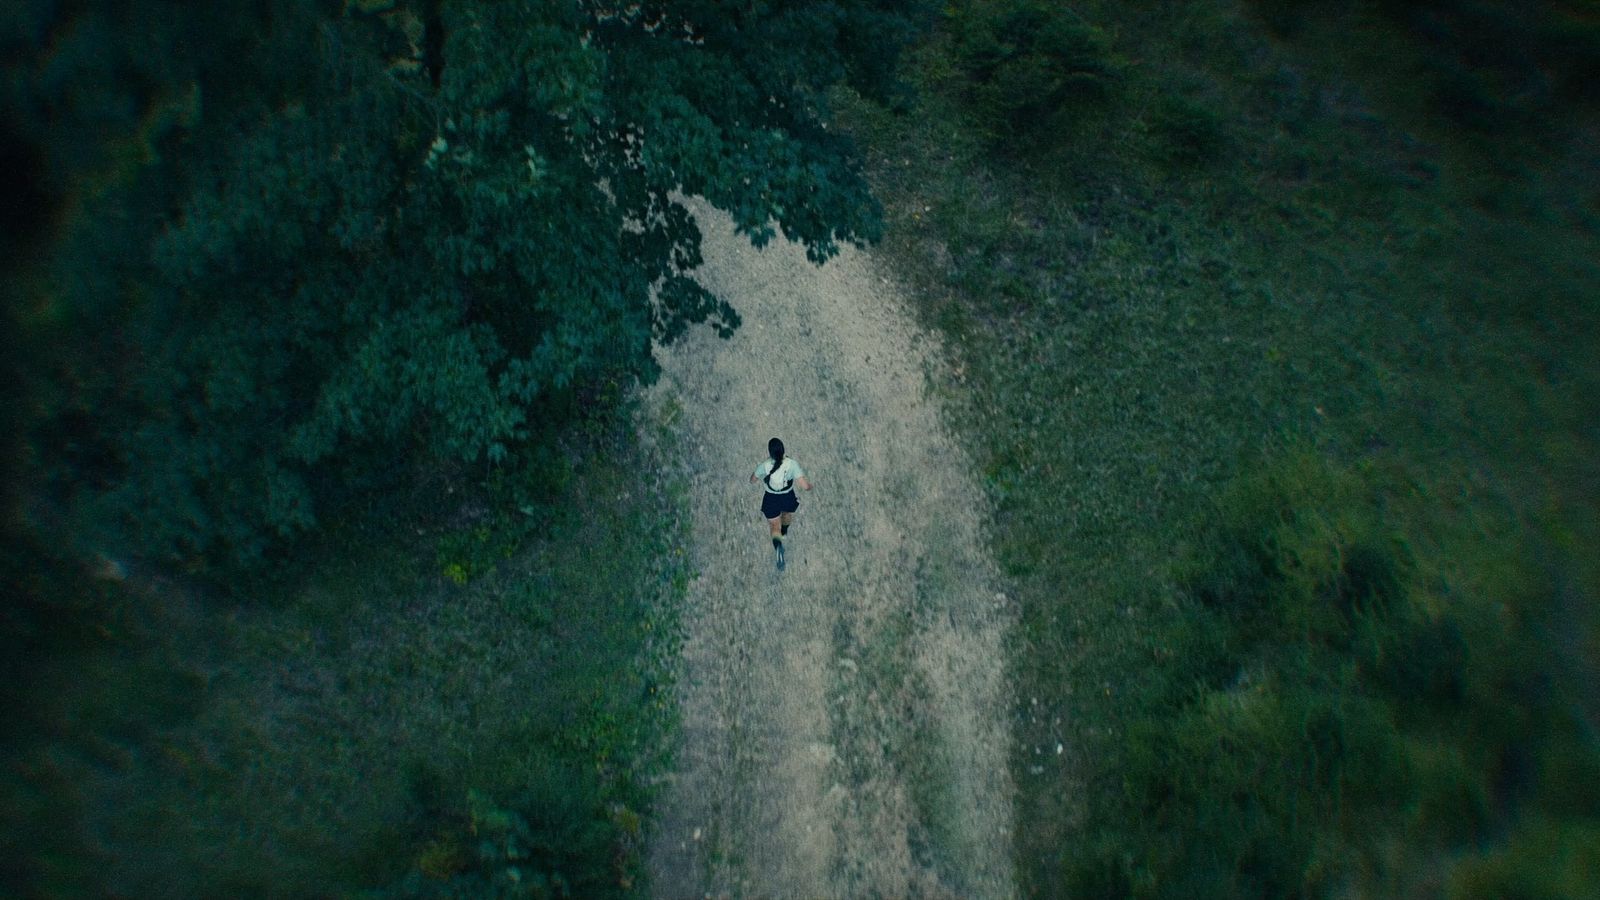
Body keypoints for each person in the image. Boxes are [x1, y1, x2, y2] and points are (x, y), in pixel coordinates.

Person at [750, 437, 812, 570]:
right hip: (787, 497)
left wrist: (758, 476)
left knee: (773, 526)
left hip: (770, 499)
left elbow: (753, 480)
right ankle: (784, 531)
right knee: (787, 514)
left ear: (770, 453)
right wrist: (810, 486)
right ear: (783, 450)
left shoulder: (764, 465)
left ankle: (778, 546)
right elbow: (805, 486)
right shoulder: (792, 464)